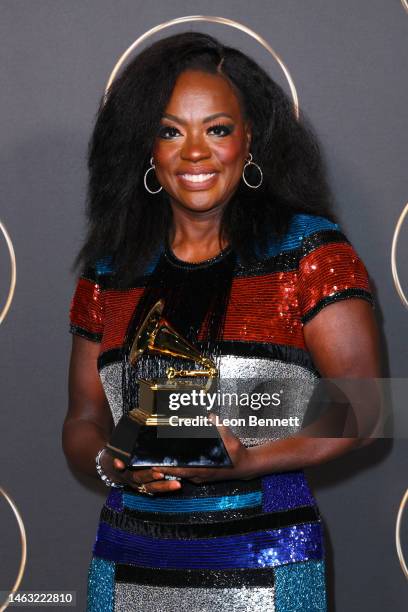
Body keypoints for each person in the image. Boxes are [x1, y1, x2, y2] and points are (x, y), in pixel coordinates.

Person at [63, 32, 381, 611]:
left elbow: (368, 405)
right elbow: (84, 418)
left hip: (263, 565)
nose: (194, 152)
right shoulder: (109, 272)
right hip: (128, 565)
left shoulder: (308, 252)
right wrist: (112, 463)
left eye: (216, 129)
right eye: (169, 131)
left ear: (248, 139)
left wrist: (251, 457)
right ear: (147, 148)